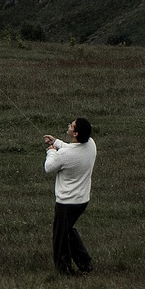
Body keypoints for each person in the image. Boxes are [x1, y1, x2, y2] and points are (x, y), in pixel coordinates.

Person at [43, 116, 97, 275]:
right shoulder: (91, 144)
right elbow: (72, 148)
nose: (69, 125)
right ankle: (85, 262)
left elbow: (49, 167)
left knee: (60, 237)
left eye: (72, 126)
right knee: (68, 231)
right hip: (82, 200)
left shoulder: (65, 155)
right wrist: (57, 142)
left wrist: (52, 152)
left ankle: (64, 271)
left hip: (66, 202)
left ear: (76, 133)